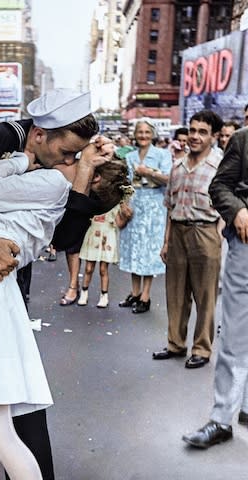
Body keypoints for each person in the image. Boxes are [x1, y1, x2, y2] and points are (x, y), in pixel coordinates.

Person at [0, 89, 125, 479]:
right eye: (67, 152)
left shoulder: (53, 175)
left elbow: (66, 238)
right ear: (39, 135)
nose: (69, 160)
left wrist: (81, 173)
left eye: (75, 156)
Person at [181, 117, 248, 448]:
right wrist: (236, 210)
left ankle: (246, 405)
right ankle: (222, 419)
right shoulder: (243, 140)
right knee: (235, 335)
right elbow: (219, 186)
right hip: (245, 248)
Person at [152, 110, 224, 369]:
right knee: (175, 292)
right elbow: (170, 206)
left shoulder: (220, 166)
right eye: (192, 130)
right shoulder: (177, 166)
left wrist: (219, 232)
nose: (194, 136)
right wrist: (166, 241)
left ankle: (202, 349)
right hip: (179, 233)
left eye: (202, 132)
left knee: (205, 295)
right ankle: (175, 343)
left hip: (205, 232)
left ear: (214, 136)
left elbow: (228, 203)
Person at [118, 118, 172, 314]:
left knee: (149, 251)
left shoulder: (162, 155)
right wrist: (124, 204)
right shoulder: (129, 156)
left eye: (147, 132)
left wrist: (148, 172)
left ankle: (145, 296)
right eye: (140, 132)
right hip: (134, 206)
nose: (143, 136)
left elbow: (169, 178)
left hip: (154, 206)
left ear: (153, 134)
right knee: (134, 249)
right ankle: (134, 292)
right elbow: (125, 183)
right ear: (135, 134)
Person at [77, 197, 133, 308]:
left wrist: (126, 215)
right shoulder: (93, 203)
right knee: (88, 268)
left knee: (103, 269)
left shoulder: (114, 206)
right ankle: (84, 293)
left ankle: (104, 295)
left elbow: (119, 223)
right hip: (93, 237)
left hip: (107, 239)